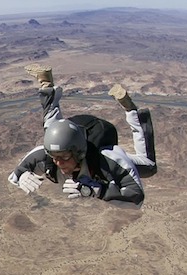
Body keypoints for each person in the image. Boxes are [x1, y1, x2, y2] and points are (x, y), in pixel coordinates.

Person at [9, 64, 155, 205]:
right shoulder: (46, 155)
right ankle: (46, 84)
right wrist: (22, 175)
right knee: (51, 130)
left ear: (78, 154)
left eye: (65, 157)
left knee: (149, 166)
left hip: (101, 134)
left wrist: (98, 190)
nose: (59, 163)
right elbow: (16, 173)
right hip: (71, 131)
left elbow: (136, 197)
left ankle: (131, 110)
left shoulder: (108, 160)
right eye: (55, 157)